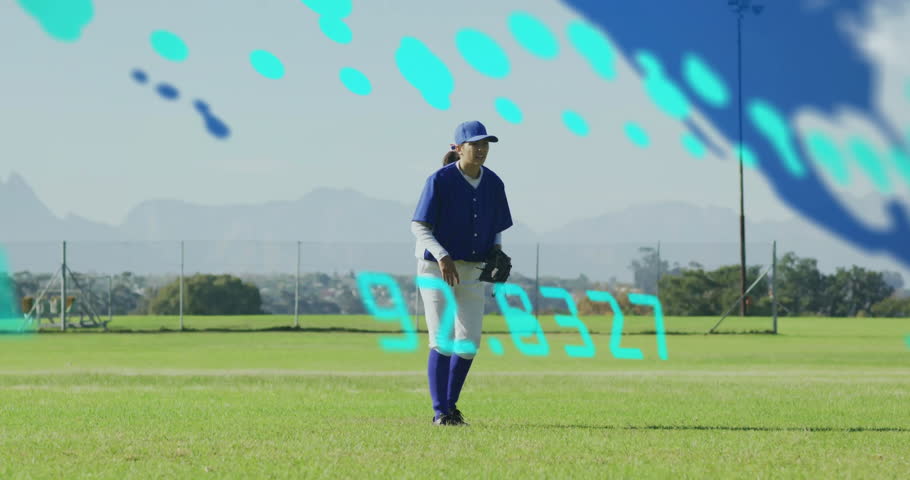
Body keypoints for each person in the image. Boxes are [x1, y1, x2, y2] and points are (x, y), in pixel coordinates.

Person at [411, 120, 513, 426]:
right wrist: (442, 256)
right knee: (442, 338)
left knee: (469, 341)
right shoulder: (440, 180)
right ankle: (440, 412)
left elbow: (495, 227)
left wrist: (496, 252)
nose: (481, 149)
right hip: (435, 268)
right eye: (475, 144)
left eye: (486, 144)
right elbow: (418, 226)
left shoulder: (493, 183)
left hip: (472, 269)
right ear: (458, 148)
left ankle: (451, 408)